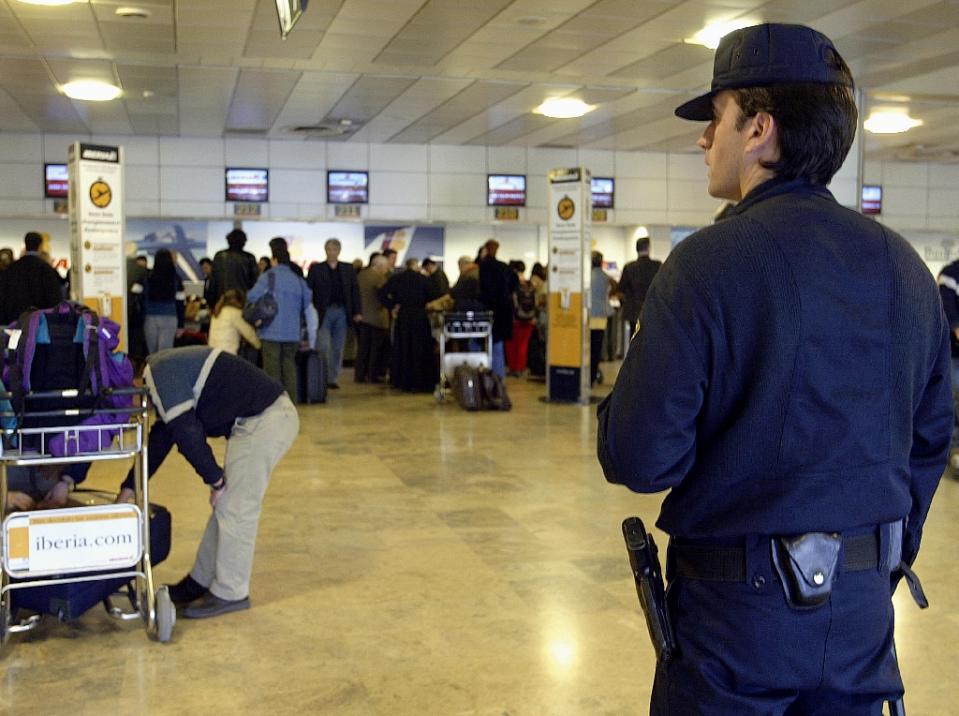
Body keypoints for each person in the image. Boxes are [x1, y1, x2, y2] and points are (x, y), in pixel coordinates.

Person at [596, 23, 952, 714]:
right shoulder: (905, 267)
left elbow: (639, 459)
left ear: (757, 128)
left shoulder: (706, 264)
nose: (704, 139)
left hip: (735, 621)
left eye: (716, 119)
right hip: (859, 619)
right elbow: (929, 438)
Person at [116, 346, 299, 618]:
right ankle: (199, 582)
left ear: (133, 382)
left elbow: (187, 433)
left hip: (265, 420)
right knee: (228, 506)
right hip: (260, 419)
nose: (125, 413)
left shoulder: (159, 374)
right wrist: (129, 486)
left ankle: (230, 593)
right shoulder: (163, 371)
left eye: (123, 402)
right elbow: (163, 438)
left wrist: (215, 480)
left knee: (236, 509)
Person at [248, 242, 317, 399]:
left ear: (274, 260)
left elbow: (252, 296)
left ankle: (274, 403)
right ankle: (290, 402)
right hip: (293, 333)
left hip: (270, 331)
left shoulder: (268, 276)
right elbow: (307, 301)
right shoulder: (298, 280)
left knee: (272, 370)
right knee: (289, 367)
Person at [305, 239, 362, 389]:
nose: (331, 252)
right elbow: (309, 290)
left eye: (334, 249)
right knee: (323, 345)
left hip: (342, 310)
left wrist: (357, 311)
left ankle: (332, 378)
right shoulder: (317, 269)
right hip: (323, 311)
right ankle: (321, 375)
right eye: (329, 249)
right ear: (325, 250)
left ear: (339, 251)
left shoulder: (347, 269)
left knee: (338, 346)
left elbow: (354, 291)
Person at [378, 260, 438, 393]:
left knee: (403, 348)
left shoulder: (397, 279)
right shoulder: (424, 279)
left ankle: (402, 381)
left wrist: (393, 305)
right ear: (416, 266)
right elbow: (433, 295)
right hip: (420, 317)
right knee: (420, 348)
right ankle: (420, 381)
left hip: (403, 316)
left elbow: (381, 294)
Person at [0, 232, 63, 325]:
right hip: (39, 324)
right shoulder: (45, 269)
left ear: (25, 245)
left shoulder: (12, 268)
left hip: (14, 322)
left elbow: (3, 295)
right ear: (40, 246)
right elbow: (54, 298)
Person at [133, 249, 184, 355]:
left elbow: (134, 291)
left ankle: (152, 371)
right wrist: (181, 325)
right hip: (170, 317)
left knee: (152, 353)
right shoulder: (176, 278)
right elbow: (180, 304)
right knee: (165, 353)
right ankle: (164, 371)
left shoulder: (147, 276)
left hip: (150, 317)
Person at [478, 240, 514, 379]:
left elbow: (482, 289)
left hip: (489, 310)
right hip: (503, 311)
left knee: (481, 344)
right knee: (498, 346)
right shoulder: (504, 267)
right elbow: (513, 284)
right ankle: (499, 378)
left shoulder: (483, 267)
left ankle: (485, 376)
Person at [937, 258, 959, 477]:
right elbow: (949, 313)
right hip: (953, 355)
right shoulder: (951, 274)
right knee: (951, 403)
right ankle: (953, 451)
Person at [355, 254, 390, 383]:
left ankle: (359, 375)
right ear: (380, 266)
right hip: (377, 319)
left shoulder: (361, 275)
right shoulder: (380, 278)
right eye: (386, 267)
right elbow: (385, 297)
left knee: (363, 348)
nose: (387, 270)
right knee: (375, 350)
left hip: (362, 317)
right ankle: (372, 375)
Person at [617, 237, 661, 337]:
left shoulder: (629, 267)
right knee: (650, 339)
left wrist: (624, 302)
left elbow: (620, 289)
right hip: (652, 310)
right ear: (649, 248)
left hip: (633, 311)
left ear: (636, 249)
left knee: (634, 337)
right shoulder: (657, 266)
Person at [208, 228, 258, 305]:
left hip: (222, 302)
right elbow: (254, 283)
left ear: (228, 240)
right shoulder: (249, 258)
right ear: (244, 242)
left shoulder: (219, 256)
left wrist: (211, 303)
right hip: (242, 302)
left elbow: (213, 283)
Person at [505, 261, 535, 376]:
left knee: (511, 345)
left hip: (514, 319)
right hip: (528, 319)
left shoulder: (512, 283)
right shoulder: (530, 284)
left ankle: (513, 367)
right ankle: (520, 368)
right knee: (523, 345)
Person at [208, 289, 261, 356]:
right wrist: (259, 345)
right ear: (238, 301)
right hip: (228, 354)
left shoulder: (217, 312)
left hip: (213, 352)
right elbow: (249, 333)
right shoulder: (235, 313)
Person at [588, 252, 614, 385]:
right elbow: (615, 286)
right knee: (597, 346)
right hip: (601, 315)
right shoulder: (605, 277)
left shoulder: (588, 276)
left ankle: (589, 374)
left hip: (590, 315)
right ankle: (593, 374)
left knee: (589, 346)